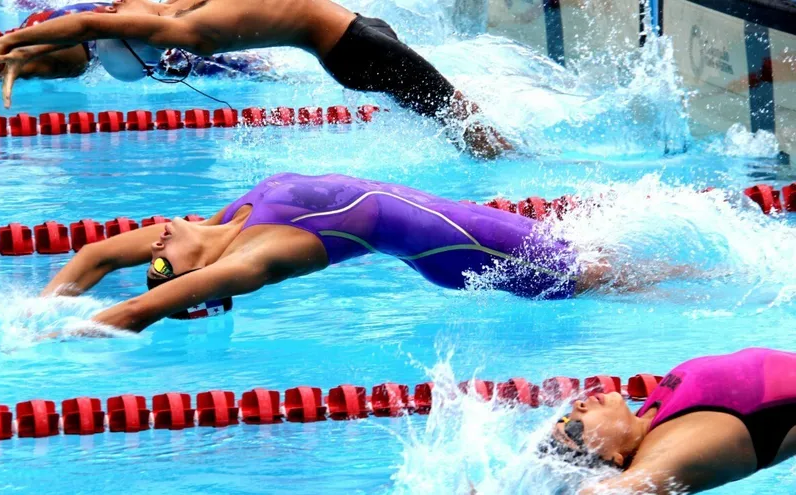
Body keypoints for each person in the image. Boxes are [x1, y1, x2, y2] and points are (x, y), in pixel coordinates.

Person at [40, 172, 661, 333]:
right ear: (198, 277)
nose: (155, 246)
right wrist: (41, 348)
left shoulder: (223, 222)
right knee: (612, 278)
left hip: (446, 226)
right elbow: (131, 314)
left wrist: (40, 308)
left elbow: (93, 257)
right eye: (161, 266)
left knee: (608, 261)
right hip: (460, 247)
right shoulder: (261, 257)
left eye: (151, 260)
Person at [0, 0, 513, 158]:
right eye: (122, 11)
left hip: (355, 33)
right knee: (464, 120)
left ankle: (503, 153)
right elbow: (91, 24)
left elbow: (95, 21)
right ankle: (515, 162)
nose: (118, 3)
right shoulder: (178, 27)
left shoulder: (177, 8)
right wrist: (7, 43)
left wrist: (22, 48)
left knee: (452, 118)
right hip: (351, 47)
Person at [546, 347, 796, 494]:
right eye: (574, 427)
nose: (576, 407)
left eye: (566, 417)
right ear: (613, 458)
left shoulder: (646, 419)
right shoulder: (670, 451)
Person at [0, 1, 271, 88]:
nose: (118, 2)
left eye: (119, 8)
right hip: (60, 32)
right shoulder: (174, 41)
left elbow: (83, 27)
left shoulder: (175, 45)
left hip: (63, 38)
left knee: (21, 62)